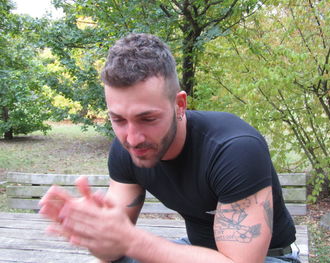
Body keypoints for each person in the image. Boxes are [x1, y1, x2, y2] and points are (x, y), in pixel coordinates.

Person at [39, 33, 300, 263]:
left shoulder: (234, 149)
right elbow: (113, 253)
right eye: (118, 119)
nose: (132, 138)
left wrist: (130, 241)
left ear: (180, 105)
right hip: (195, 252)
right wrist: (96, 234)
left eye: (147, 118)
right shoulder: (125, 151)